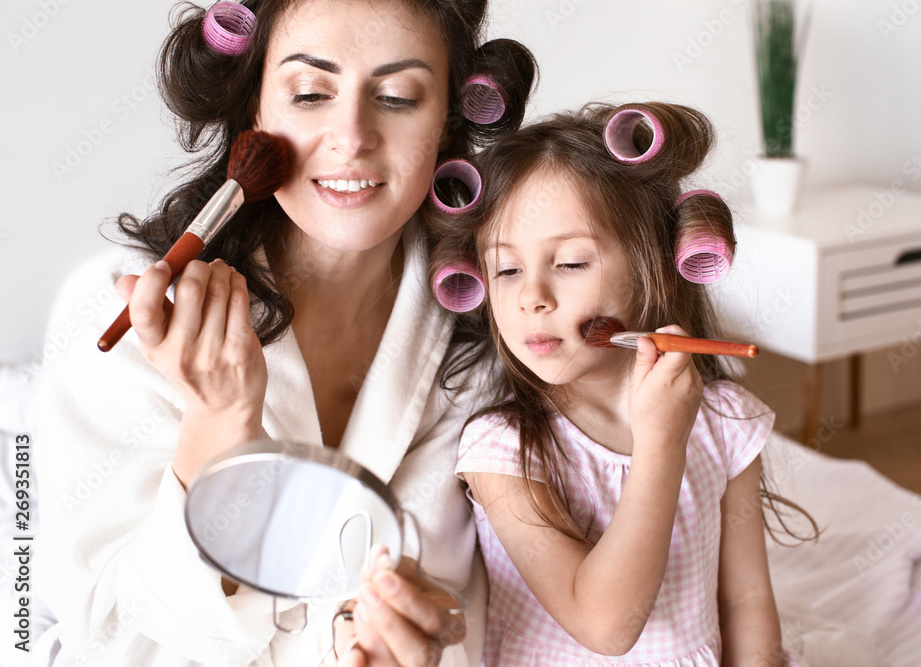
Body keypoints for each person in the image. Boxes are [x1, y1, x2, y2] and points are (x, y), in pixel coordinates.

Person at [32, 0, 535, 665]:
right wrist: (218, 427)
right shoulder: (116, 314)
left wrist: (395, 636)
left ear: (446, 121)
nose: (352, 135)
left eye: (396, 96)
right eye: (308, 93)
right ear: (255, 113)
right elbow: (108, 641)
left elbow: (458, 611)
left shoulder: (481, 347)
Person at [431, 102, 814, 665]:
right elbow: (606, 626)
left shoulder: (727, 421)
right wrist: (661, 444)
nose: (532, 295)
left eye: (570, 263)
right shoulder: (502, 450)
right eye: (507, 269)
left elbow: (747, 598)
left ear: (649, 269)